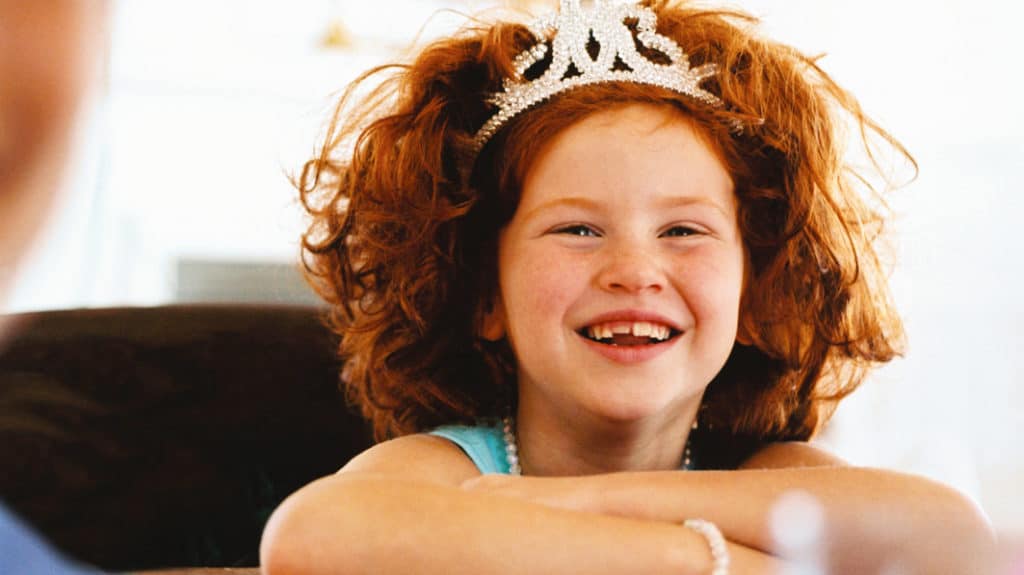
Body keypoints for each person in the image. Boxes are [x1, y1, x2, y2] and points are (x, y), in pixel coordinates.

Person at [260, 0, 995, 573]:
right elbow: (309, 535)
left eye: (683, 231)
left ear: (756, 292)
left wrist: (572, 505)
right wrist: (704, 558)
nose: (634, 271)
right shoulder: (456, 468)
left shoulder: (755, 471)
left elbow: (954, 538)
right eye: (577, 229)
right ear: (485, 294)